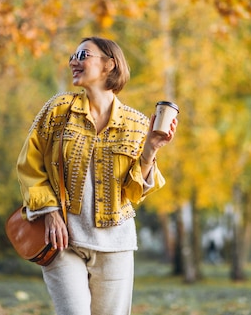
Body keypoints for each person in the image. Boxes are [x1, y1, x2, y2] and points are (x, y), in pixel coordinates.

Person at [16, 36, 177, 315]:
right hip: (62, 242)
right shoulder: (57, 110)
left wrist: (151, 148)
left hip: (115, 246)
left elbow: (133, 192)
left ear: (109, 65)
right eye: (72, 56)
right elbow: (29, 165)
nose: (73, 62)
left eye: (83, 55)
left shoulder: (138, 124)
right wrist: (50, 211)